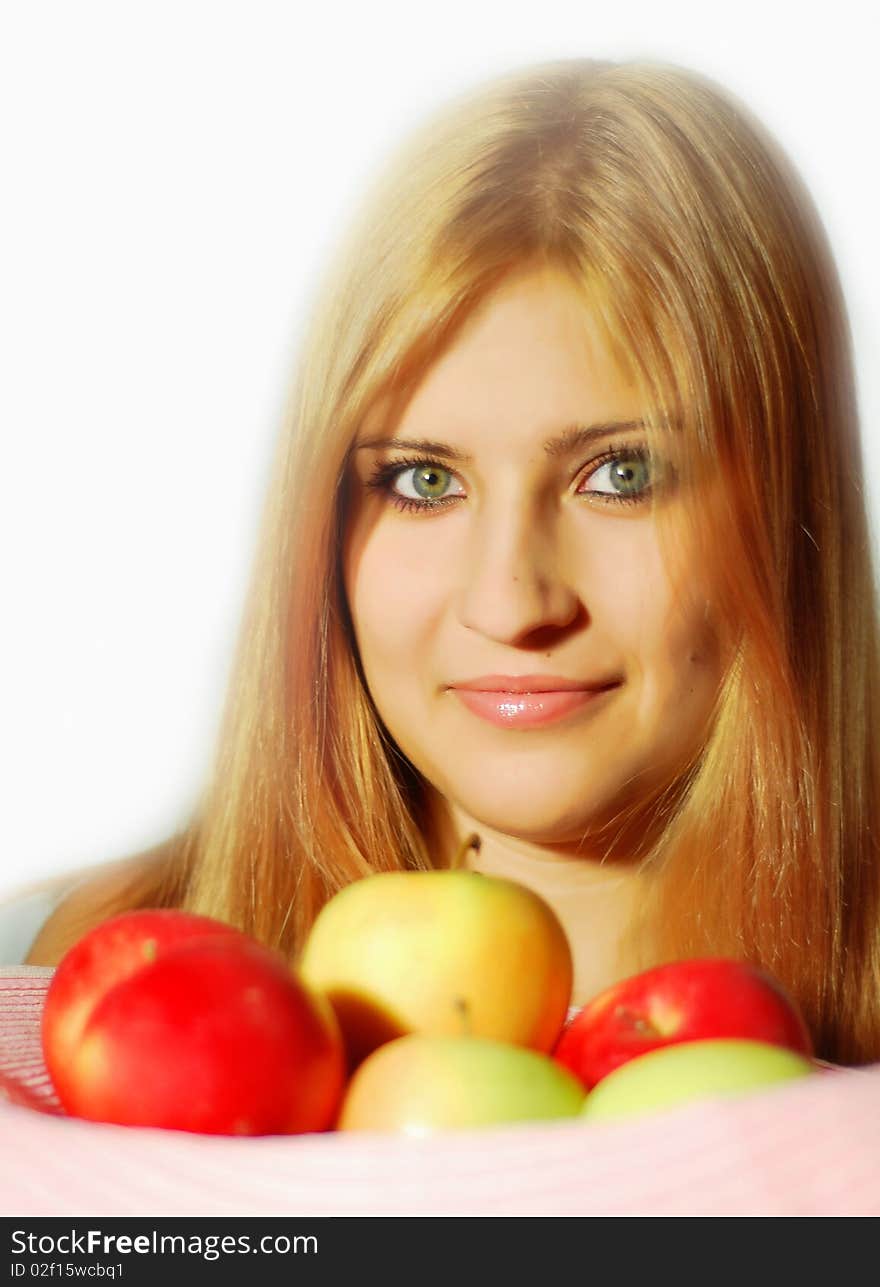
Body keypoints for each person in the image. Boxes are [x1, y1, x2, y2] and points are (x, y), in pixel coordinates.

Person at [19, 57, 880, 1067]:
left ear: (790, 508)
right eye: (424, 482)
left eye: (622, 474)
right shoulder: (104, 976)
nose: (512, 602)